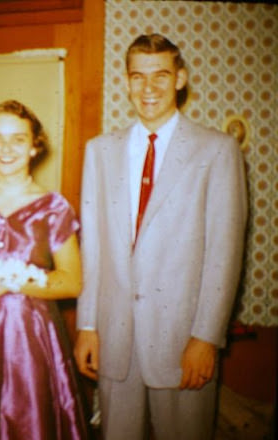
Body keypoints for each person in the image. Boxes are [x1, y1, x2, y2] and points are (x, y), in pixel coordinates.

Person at [73, 33, 247, 440]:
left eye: (161, 75)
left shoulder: (217, 150)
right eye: (138, 76)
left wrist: (206, 337)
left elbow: (225, 253)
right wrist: (86, 325)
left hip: (183, 338)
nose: (148, 88)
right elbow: (93, 248)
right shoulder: (99, 151)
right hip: (115, 338)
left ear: (180, 78)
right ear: (127, 81)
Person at [0, 100, 90, 440]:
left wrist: (9, 284)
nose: (6, 148)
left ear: (35, 146)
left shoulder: (53, 208)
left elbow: (72, 282)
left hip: (34, 341)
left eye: (18, 139)